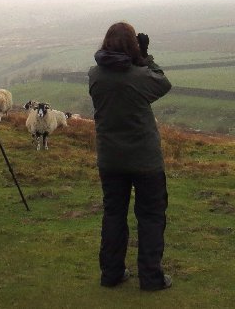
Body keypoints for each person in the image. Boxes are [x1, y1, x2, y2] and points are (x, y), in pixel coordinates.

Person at [88, 22, 173, 291]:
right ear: (131, 46)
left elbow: (116, 75)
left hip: (110, 158)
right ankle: (150, 277)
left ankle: (111, 273)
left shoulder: (94, 75)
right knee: (150, 216)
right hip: (145, 160)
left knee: (113, 214)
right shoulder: (140, 76)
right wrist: (145, 57)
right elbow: (163, 82)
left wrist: (135, 59)